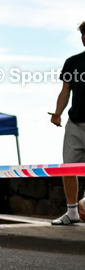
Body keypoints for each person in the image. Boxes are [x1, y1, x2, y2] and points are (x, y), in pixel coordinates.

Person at [50, 21, 85, 225]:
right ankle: (72, 212)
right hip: (75, 124)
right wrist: (57, 113)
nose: (84, 38)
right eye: (82, 34)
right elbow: (65, 91)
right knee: (68, 168)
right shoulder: (72, 62)